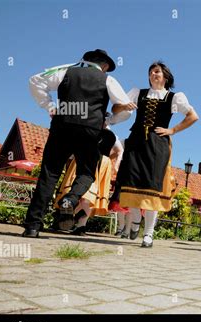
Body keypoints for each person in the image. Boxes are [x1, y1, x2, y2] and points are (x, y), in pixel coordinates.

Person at [23, 49, 131, 238]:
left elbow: (35, 80)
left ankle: (33, 226)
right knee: (87, 173)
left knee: (49, 174)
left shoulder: (66, 70)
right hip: (90, 131)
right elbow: (126, 107)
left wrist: (49, 106)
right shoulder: (108, 80)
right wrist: (109, 120)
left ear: (86, 60)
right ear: (104, 66)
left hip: (62, 126)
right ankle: (71, 200)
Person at [108, 61, 199, 248]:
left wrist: (172, 130)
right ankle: (134, 220)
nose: (153, 74)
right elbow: (116, 108)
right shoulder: (137, 92)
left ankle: (148, 234)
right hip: (136, 141)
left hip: (158, 144)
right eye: (150, 72)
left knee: (152, 187)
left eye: (156, 71)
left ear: (165, 76)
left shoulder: (174, 97)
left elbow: (193, 116)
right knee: (130, 183)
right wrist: (124, 106)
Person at [54, 128, 117, 235]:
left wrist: (114, 163)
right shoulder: (94, 127)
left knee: (84, 194)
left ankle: (74, 217)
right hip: (95, 159)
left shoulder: (91, 127)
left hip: (96, 160)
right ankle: (79, 222)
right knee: (86, 195)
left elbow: (118, 150)